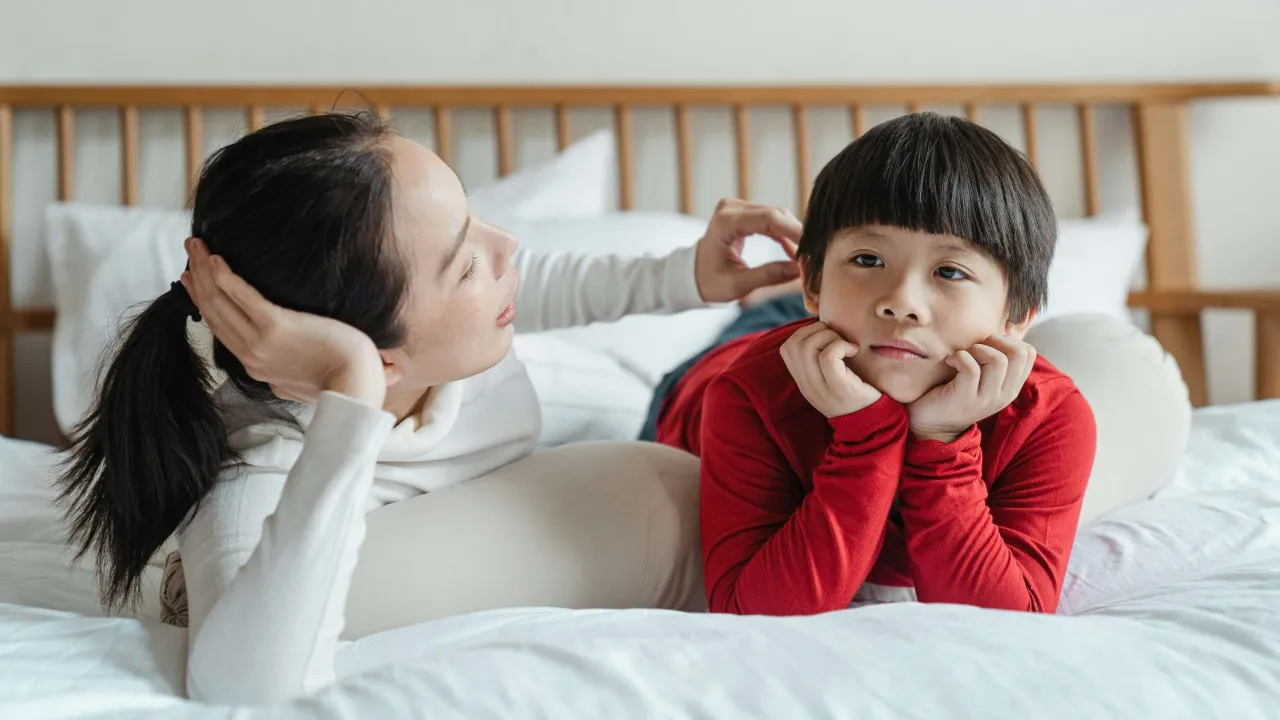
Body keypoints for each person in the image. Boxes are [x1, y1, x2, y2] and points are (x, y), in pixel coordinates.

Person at [54, 111, 802, 703]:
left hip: (612, 422)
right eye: (468, 264)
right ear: (378, 356)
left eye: (475, 221)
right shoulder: (262, 470)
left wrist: (687, 275)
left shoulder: (451, 332)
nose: (508, 247)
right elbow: (243, 685)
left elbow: (545, 282)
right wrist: (351, 393)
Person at [648, 112, 1097, 616]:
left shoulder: (1050, 417)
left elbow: (1010, 620)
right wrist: (866, 437)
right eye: (868, 259)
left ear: (1019, 317)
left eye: (950, 271)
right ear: (812, 281)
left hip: (851, 329)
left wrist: (942, 442)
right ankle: (778, 302)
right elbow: (750, 614)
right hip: (713, 375)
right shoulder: (746, 394)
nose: (902, 300)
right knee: (761, 332)